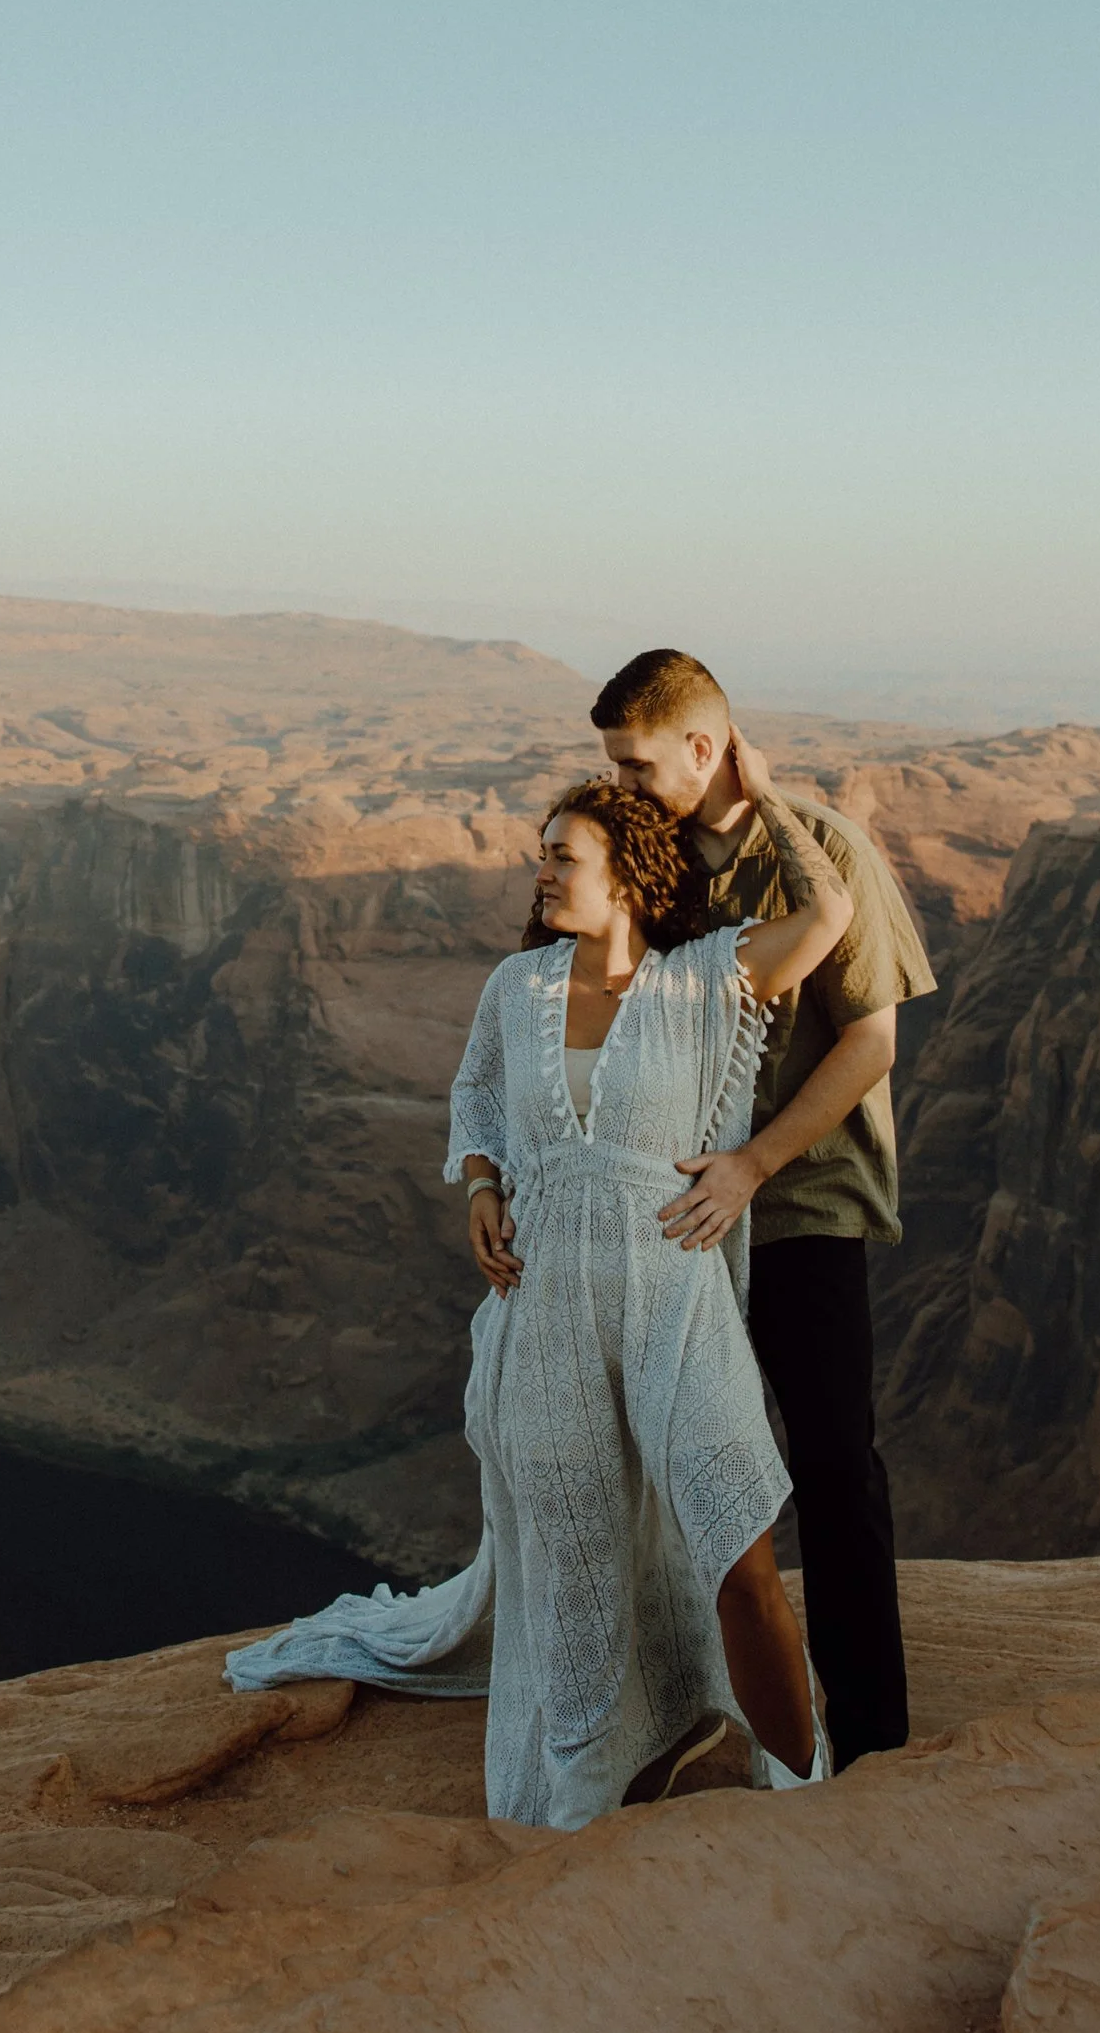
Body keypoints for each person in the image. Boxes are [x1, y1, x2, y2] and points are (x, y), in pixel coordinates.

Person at [227, 762, 855, 1828]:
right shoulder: (515, 991)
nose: (541, 873)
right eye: (541, 855)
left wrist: (755, 788)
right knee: (575, 1573)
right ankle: (580, 1791)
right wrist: (479, 1183)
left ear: (630, 876)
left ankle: (803, 1787)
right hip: (545, 1313)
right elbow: (475, 1094)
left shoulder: (704, 979)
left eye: (562, 857)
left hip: (673, 1301)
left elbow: (829, 912)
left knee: (737, 1545)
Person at [593, 648, 934, 1768]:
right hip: (685, 1205)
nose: (625, 786)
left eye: (639, 764)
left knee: (834, 1464)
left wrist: (753, 1163)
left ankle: (873, 1741)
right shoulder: (652, 857)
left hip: (801, 1205)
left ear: (705, 746)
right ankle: (694, 1717)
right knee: (675, 1468)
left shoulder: (822, 846)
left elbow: (871, 1041)